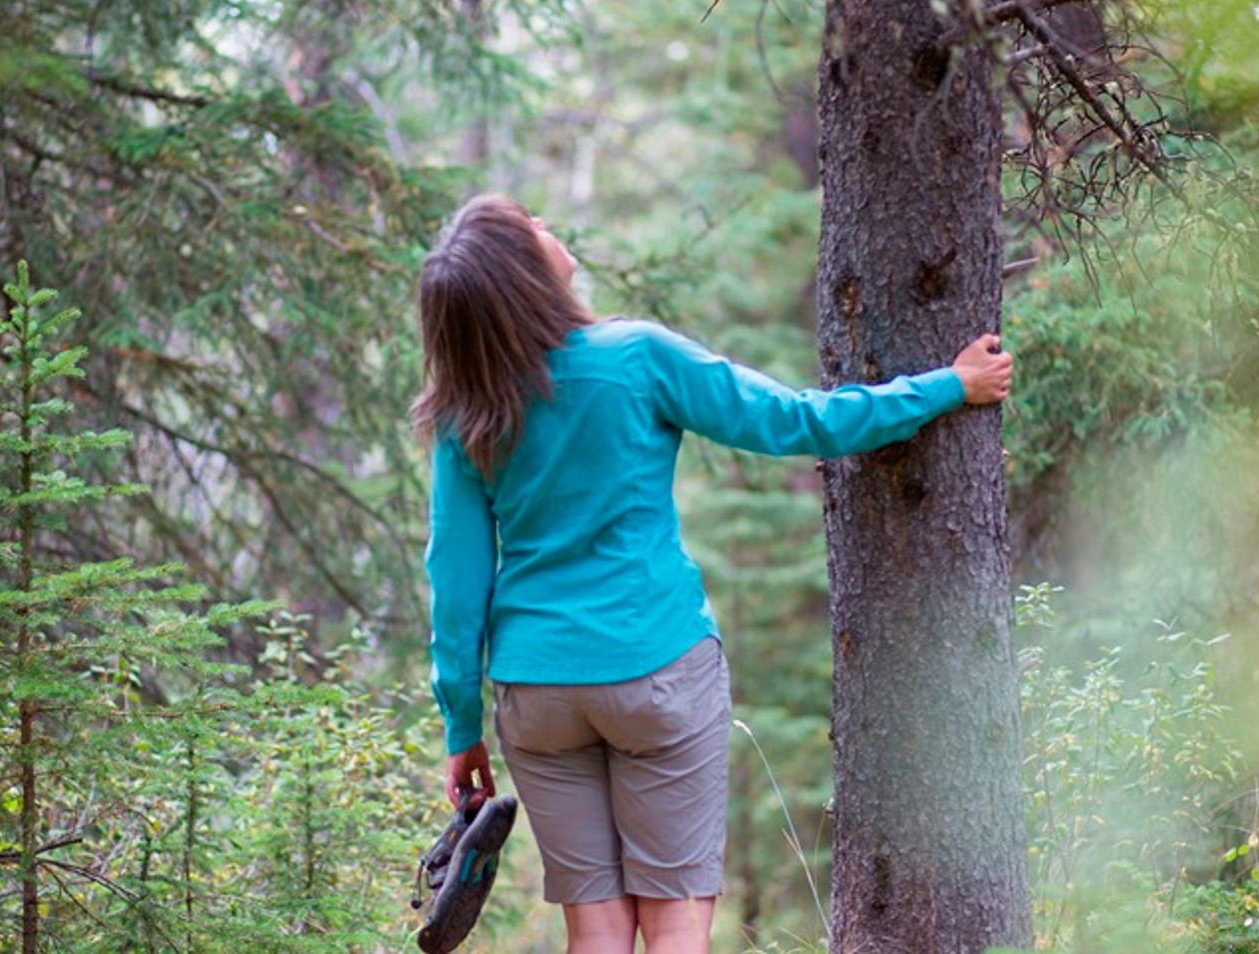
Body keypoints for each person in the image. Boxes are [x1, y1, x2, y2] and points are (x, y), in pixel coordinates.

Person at [410, 194, 1013, 954]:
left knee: (594, 931)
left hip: (539, 698)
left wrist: (461, 728)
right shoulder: (636, 358)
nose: (546, 228)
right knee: (674, 923)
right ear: (521, 272)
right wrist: (947, 386)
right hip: (656, 670)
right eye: (530, 226)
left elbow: (456, 590)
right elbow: (798, 421)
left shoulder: (466, 414)